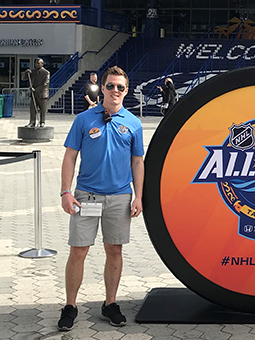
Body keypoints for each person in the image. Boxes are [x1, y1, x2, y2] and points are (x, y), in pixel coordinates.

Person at [58, 66, 144, 331]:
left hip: (119, 198)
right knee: (79, 251)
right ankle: (70, 306)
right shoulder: (84, 119)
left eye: (120, 87)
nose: (115, 91)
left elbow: (137, 161)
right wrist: (65, 191)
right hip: (87, 197)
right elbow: (70, 156)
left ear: (126, 91)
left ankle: (110, 304)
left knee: (114, 250)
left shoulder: (134, 123)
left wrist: (138, 196)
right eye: (110, 86)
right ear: (102, 88)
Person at [25, 58, 50, 128]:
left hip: (42, 94)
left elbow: (45, 84)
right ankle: (32, 122)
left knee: (43, 109)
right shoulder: (32, 72)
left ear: (42, 64)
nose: (37, 64)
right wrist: (25, 73)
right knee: (32, 109)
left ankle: (42, 122)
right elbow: (24, 78)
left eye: (38, 63)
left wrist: (35, 89)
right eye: (36, 63)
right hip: (34, 95)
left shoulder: (46, 73)